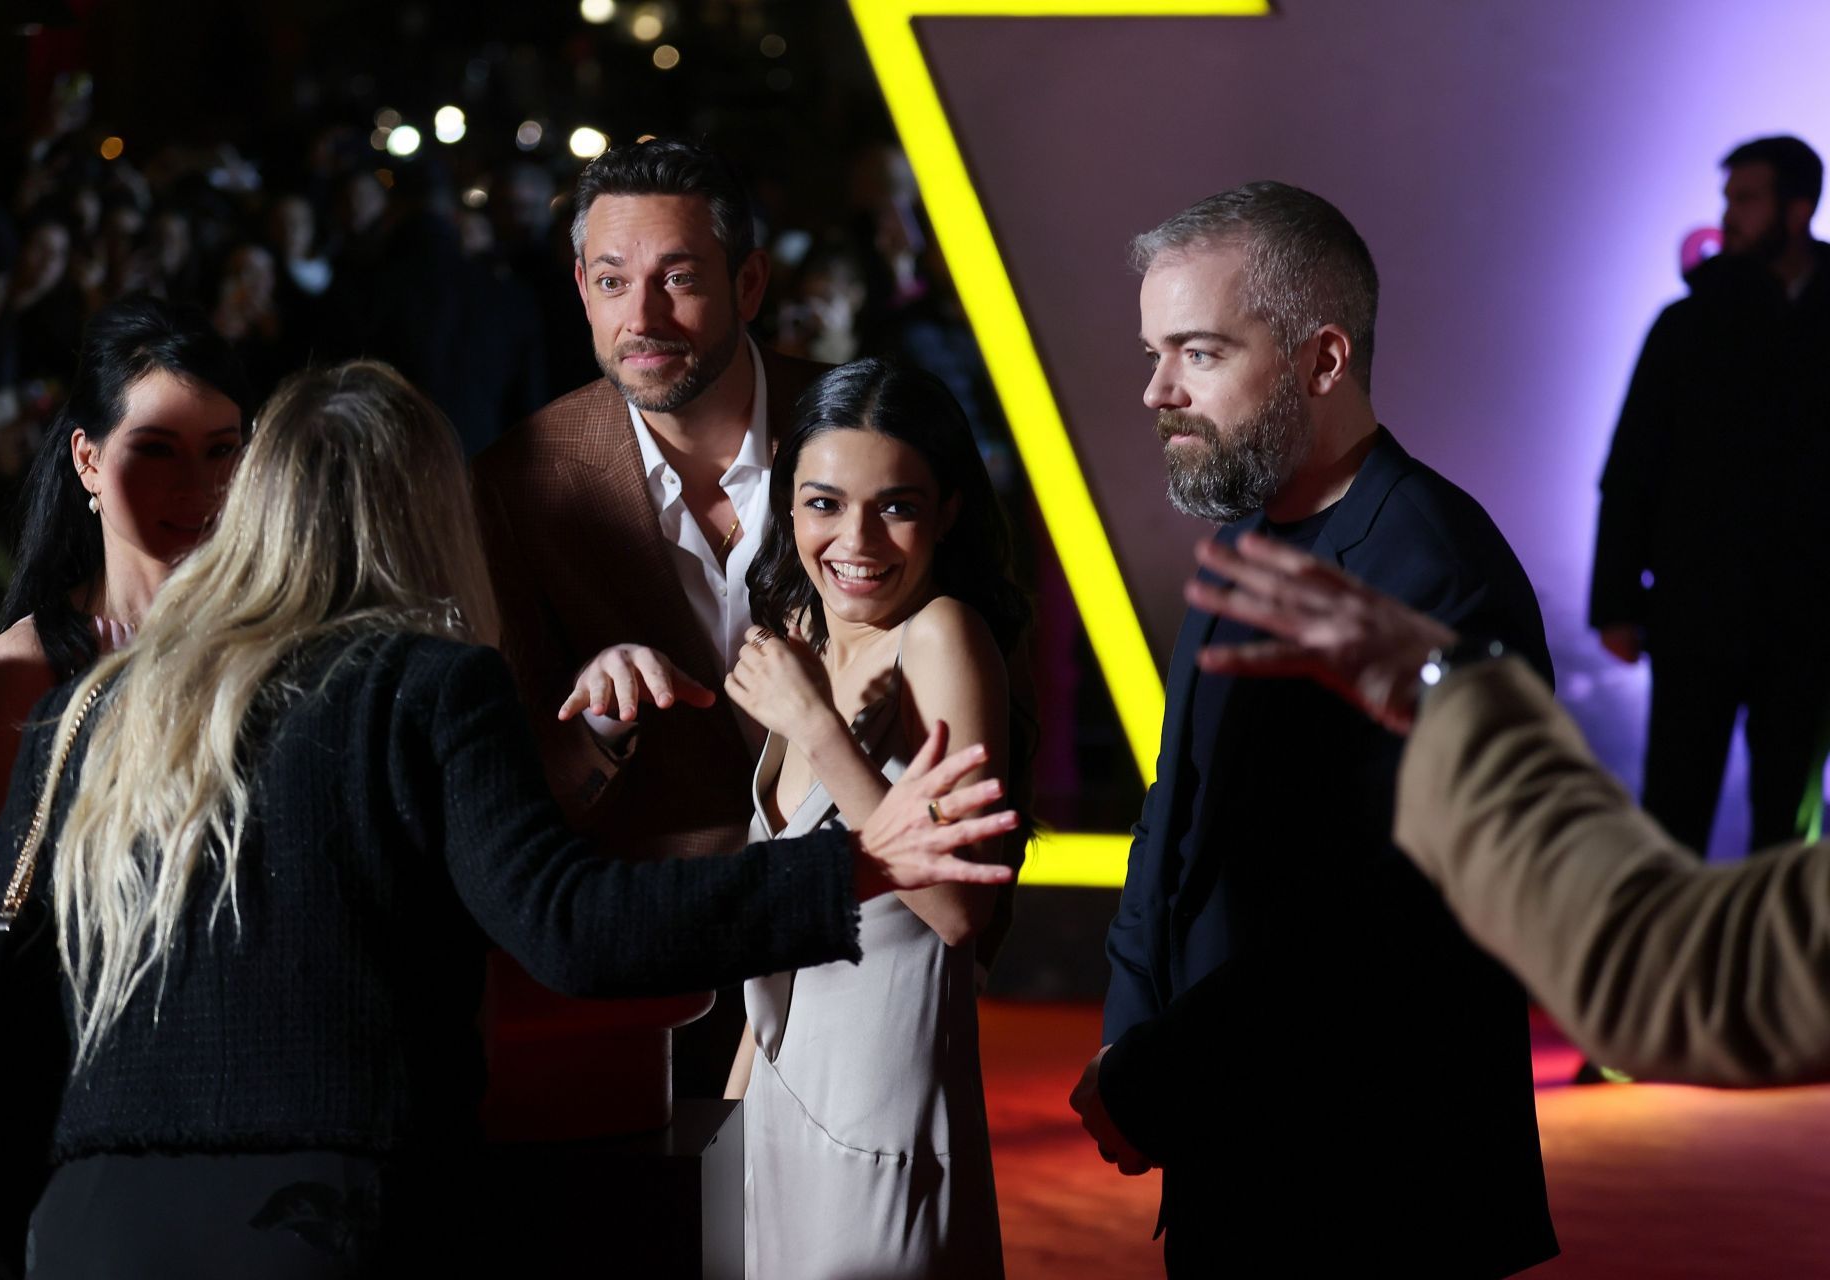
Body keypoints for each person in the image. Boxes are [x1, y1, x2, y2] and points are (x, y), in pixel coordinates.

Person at [0, 360, 1015, 1275]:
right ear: (435, 510)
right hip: (318, 1222)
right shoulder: (430, 684)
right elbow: (570, 923)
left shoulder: (88, 706)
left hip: (85, 1221)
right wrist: (848, 868)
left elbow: (1, 995)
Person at [1072, 182, 1557, 1276]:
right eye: (1154, 352)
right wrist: (1128, 1032)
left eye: (1196, 352)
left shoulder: (1438, 571)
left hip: (1377, 1185)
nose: (1157, 390)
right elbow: (1175, 814)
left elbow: (1380, 927)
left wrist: (1155, 1077)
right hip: (1230, 1140)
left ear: (1323, 359)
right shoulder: (1246, 538)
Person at [1178, 530, 1830, 1088]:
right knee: (1687, 807)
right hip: (1714, 615)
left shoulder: (1434, 537)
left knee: (1768, 816)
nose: (1161, 392)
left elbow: (1678, 959)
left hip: (1773, 624)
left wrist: (1448, 682)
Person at [474, 138, 828, 1096]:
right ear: (582, 291)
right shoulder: (521, 480)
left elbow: (984, 682)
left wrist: (971, 930)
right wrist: (596, 719)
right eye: (612, 280)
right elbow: (507, 786)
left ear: (748, 282)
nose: (644, 316)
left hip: (855, 934)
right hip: (640, 960)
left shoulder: (860, 431)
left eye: (678, 277)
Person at [720, 359, 1029, 1278]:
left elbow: (958, 910)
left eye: (894, 506)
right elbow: (777, 947)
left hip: (882, 1126)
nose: (855, 539)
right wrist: (730, 1127)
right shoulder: (800, 636)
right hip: (778, 1106)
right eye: (823, 504)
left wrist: (816, 728)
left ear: (948, 512)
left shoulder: (941, 634)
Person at [0, 295, 251, 970]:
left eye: (222, 450)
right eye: (158, 451)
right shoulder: (24, 672)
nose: (197, 487)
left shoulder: (276, 644)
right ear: (88, 460)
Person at [1591, 135, 1830, 856]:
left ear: (1798, 207)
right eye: (1727, 200)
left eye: (1746, 199)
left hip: (1810, 621)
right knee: (1672, 813)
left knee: (1788, 825)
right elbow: (1632, 464)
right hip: (1698, 611)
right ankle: (1669, 964)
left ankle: (1778, 966)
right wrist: (1615, 601)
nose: (1728, 217)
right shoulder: (1687, 324)